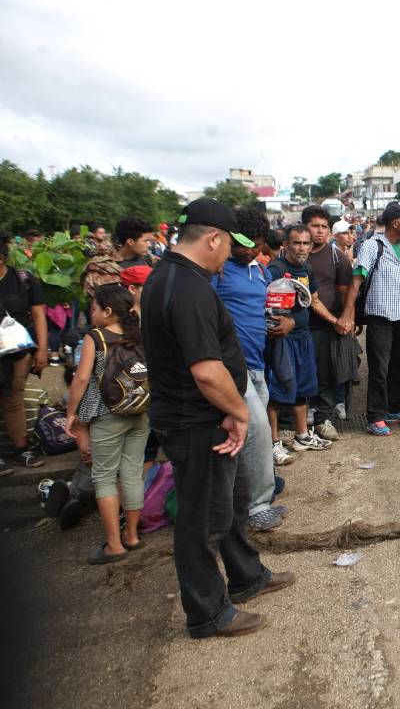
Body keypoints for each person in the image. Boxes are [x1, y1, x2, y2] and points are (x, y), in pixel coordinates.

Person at [140, 198, 293, 639]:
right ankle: (208, 613)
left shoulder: (177, 276)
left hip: (209, 417)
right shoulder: (185, 287)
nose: (231, 254)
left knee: (231, 503)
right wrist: (239, 411)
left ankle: (248, 576)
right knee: (201, 520)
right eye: (228, 245)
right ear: (213, 238)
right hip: (197, 422)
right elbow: (206, 370)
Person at [213, 208, 291, 533]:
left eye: (258, 245)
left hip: (258, 363)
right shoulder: (216, 272)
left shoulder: (258, 272)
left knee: (254, 434)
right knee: (256, 428)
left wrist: (281, 322)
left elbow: (262, 309)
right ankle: (257, 506)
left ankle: (261, 484)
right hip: (233, 366)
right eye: (246, 244)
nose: (252, 250)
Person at [64, 284, 150, 563]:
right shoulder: (138, 333)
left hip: (107, 414)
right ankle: (133, 536)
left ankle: (114, 545)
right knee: (133, 473)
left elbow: (80, 379)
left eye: (94, 308)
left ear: (108, 311)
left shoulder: (96, 337)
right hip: (140, 412)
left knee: (104, 477)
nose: (91, 313)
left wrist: (71, 414)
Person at [343, 202, 400, 436]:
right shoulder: (371, 245)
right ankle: (375, 416)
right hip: (381, 316)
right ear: (396, 223)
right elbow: (357, 279)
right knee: (379, 368)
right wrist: (349, 312)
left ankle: (394, 407)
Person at [267, 226, 331, 452]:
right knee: (276, 391)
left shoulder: (307, 269)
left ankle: (302, 436)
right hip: (282, 342)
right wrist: (283, 324)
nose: (301, 248)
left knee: (303, 387)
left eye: (306, 243)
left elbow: (312, 300)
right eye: (296, 243)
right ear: (286, 245)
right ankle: (273, 444)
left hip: (304, 338)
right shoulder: (275, 269)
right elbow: (268, 310)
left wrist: (337, 321)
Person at [300, 206, 350, 443]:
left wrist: (346, 319)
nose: (320, 231)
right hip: (297, 326)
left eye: (324, 227)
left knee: (326, 373)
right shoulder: (293, 253)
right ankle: (300, 418)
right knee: (300, 372)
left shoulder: (336, 256)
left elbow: (345, 293)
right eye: (314, 226)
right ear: (304, 228)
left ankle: (324, 418)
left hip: (326, 325)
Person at [0, 231, 48, 468]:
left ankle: (22, 450)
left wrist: (42, 350)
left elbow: (39, 314)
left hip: (18, 351)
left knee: (13, 399)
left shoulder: (23, 279)